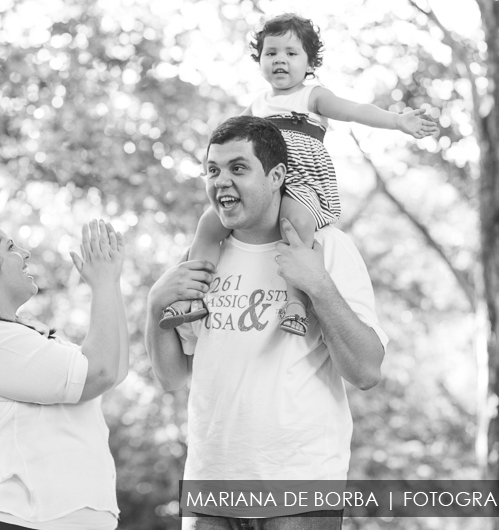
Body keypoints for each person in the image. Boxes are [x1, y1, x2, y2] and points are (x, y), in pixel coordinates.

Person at [145, 116, 388, 529]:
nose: (221, 181)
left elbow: (365, 370)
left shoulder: (327, 248)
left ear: (276, 176)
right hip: (210, 490)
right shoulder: (204, 258)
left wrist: (318, 286)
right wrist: (155, 307)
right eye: (213, 170)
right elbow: (171, 376)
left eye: (238, 168)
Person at [160, 13, 436, 336]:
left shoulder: (313, 96)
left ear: (309, 63)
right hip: (261, 185)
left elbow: (356, 110)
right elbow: (228, 139)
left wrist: (397, 121)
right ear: (260, 60)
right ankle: (192, 299)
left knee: (296, 224)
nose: (280, 60)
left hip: (301, 180)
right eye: (271, 53)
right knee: (208, 225)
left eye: (291, 53)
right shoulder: (258, 104)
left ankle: (295, 305)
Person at [0, 216, 127, 530]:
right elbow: (98, 373)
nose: (26, 253)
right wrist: (101, 285)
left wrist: (111, 283)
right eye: (11, 247)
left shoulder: (25, 336)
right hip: (12, 522)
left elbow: (113, 368)